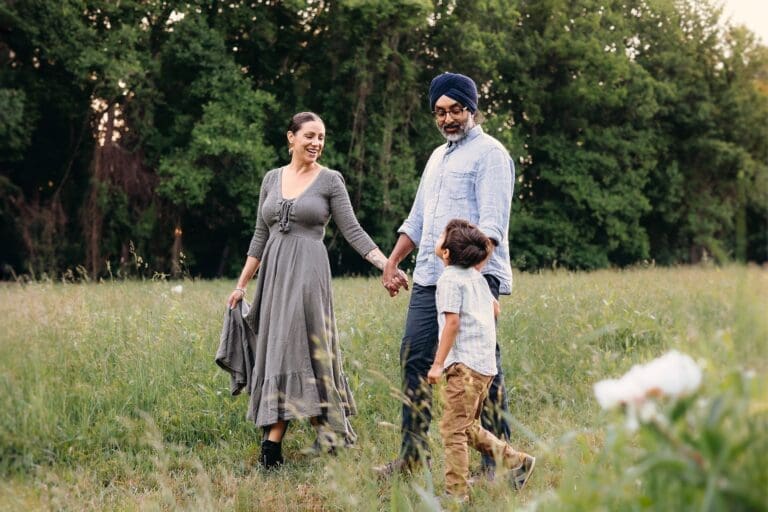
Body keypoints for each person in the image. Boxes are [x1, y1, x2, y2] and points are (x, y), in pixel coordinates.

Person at [216, 111, 406, 469]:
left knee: (298, 347)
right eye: (309, 136)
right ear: (291, 138)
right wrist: (242, 285)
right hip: (273, 277)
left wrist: (387, 265)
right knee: (280, 348)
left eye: (321, 137)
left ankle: (272, 447)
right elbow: (260, 235)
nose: (316, 143)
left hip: (308, 275)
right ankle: (328, 433)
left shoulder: (330, 181)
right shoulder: (271, 179)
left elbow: (353, 231)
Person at [376, 72, 515, 477]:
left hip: (474, 277)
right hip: (430, 277)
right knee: (415, 355)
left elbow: (491, 230)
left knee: (479, 366)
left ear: (472, 109)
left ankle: (495, 463)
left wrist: (478, 285)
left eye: (456, 110)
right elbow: (418, 219)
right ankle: (413, 457)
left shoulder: (491, 154)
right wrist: (392, 260)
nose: (448, 119)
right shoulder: (437, 156)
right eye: (440, 112)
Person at [427, 219, 535, 500]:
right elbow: (495, 310)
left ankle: (456, 495)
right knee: (469, 427)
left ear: (447, 253)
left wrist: (438, 364)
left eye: (441, 237)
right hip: (484, 368)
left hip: (463, 367)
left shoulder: (449, 279)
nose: (438, 239)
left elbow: (452, 324)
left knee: (453, 431)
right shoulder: (476, 278)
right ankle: (517, 461)